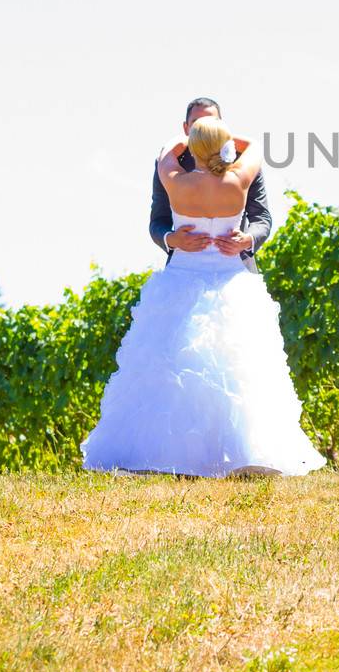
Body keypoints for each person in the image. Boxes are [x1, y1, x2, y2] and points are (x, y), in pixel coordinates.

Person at [82, 116, 325, 478]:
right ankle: (240, 453)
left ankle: (169, 456)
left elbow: (167, 150)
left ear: (191, 146)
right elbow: (253, 145)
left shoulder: (175, 180)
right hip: (230, 279)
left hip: (183, 278)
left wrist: (190, 140)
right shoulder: (238, 180)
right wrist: (223, 139)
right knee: (237, 368)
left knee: (170, 367)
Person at [150, 97, 272, 271]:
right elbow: (158, 221)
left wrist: (248, 240)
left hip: (235, 270)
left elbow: (261, 217)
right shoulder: (244, 170)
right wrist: (171, 239)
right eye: (197, 123)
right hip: (186, 272)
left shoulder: (171, 171)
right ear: (186, 128)